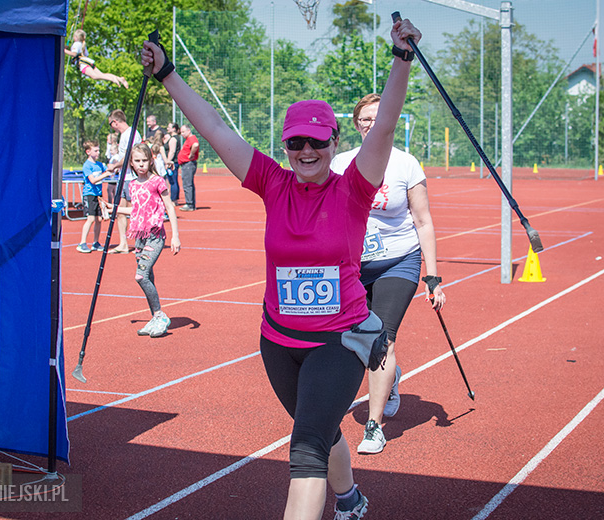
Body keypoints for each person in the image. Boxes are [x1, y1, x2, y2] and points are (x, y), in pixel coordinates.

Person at [142, 15, 421, 520]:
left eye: (317, 141)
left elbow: (383, 125)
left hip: (338, 342)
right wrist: (167, 73)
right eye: (296, 142)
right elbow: (214, 128)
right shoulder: (271, 182)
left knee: (306, 448)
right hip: (278, 341)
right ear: (286, 146)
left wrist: (402, 58)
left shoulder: (355, 188)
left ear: (334, 142)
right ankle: (350, 499)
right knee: (322, 431)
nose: (307, 151)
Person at [331, 94, 446, 455]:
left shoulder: (406, 165)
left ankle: (374, 426)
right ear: (356, 125)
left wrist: (433, 277)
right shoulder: (341, 163)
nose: (372, 124)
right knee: (351, 341)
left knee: (383, 339)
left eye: (378, 118)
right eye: (365, 119)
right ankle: (391, 377)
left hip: (399, 260)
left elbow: (423, 221)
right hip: (354, 265)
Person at [102, 143, 181, 337]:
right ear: (131, 163)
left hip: (155, 236)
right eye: (137, 161)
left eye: (144, 160)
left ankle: (160, 315)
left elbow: (170, 207)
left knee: (141, 276)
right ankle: (154, 318)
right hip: (139, 236)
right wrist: (114, 209)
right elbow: (136, 210)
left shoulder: (157, 181)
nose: (141, 164)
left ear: (151, 161)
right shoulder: (133, 184)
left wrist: (175, 236)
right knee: (149, 277)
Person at [106, 109, 143, 253]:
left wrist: (114, 166)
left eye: (111, 124)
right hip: (123, 177)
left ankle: (139, 243)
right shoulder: (123, 135)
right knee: (120, 211)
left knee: (134, 211)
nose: (111, 127)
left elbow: (129, 156)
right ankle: (123, 243)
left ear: (115, 122)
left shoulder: (131, 134)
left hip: (132, 178)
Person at [77, 140, 112, 253]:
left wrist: (113, 166)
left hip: (98, 195)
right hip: (89, 194)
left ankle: (95, 242)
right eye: (95, 150)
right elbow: (93, 180)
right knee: (91, 219)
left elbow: (109, 170)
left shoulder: (100, 165)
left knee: (99, 219)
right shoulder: (87, 165)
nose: (98, 153)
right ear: (88, 152)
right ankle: (82, 243)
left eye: (98, 150)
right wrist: (105, 175)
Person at [64, 29, 129, 88]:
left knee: (94, 76)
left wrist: (64, 50)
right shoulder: (82, 44)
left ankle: (112, 79)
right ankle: (119, 79)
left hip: (83, 63)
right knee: (101, 74)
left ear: (75, 37)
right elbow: (86, 54)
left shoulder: (76, 44)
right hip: (87, 62)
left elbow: (74, 54)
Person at [177, 124, 199, 211]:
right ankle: (190, 203)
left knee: (187, 184)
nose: (182, 134)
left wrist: (191, 154)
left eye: (183, 132)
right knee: (188, 184)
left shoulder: (192, 138)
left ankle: (190, 204)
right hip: (186, 164)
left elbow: (195, 145)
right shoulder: (188, 139)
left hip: (188, 164)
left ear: (188, 131)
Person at [164, 122, 182, 204]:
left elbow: (172, 151)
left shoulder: (173, 139)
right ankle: (174, 199)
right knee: (173, 181)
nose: (167, 128)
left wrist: (167, 162)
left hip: (172, 163)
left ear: (174, 129)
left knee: (173, 181)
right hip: (174, 162)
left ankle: (174, 199)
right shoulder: (174, 138)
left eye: (169, 127)